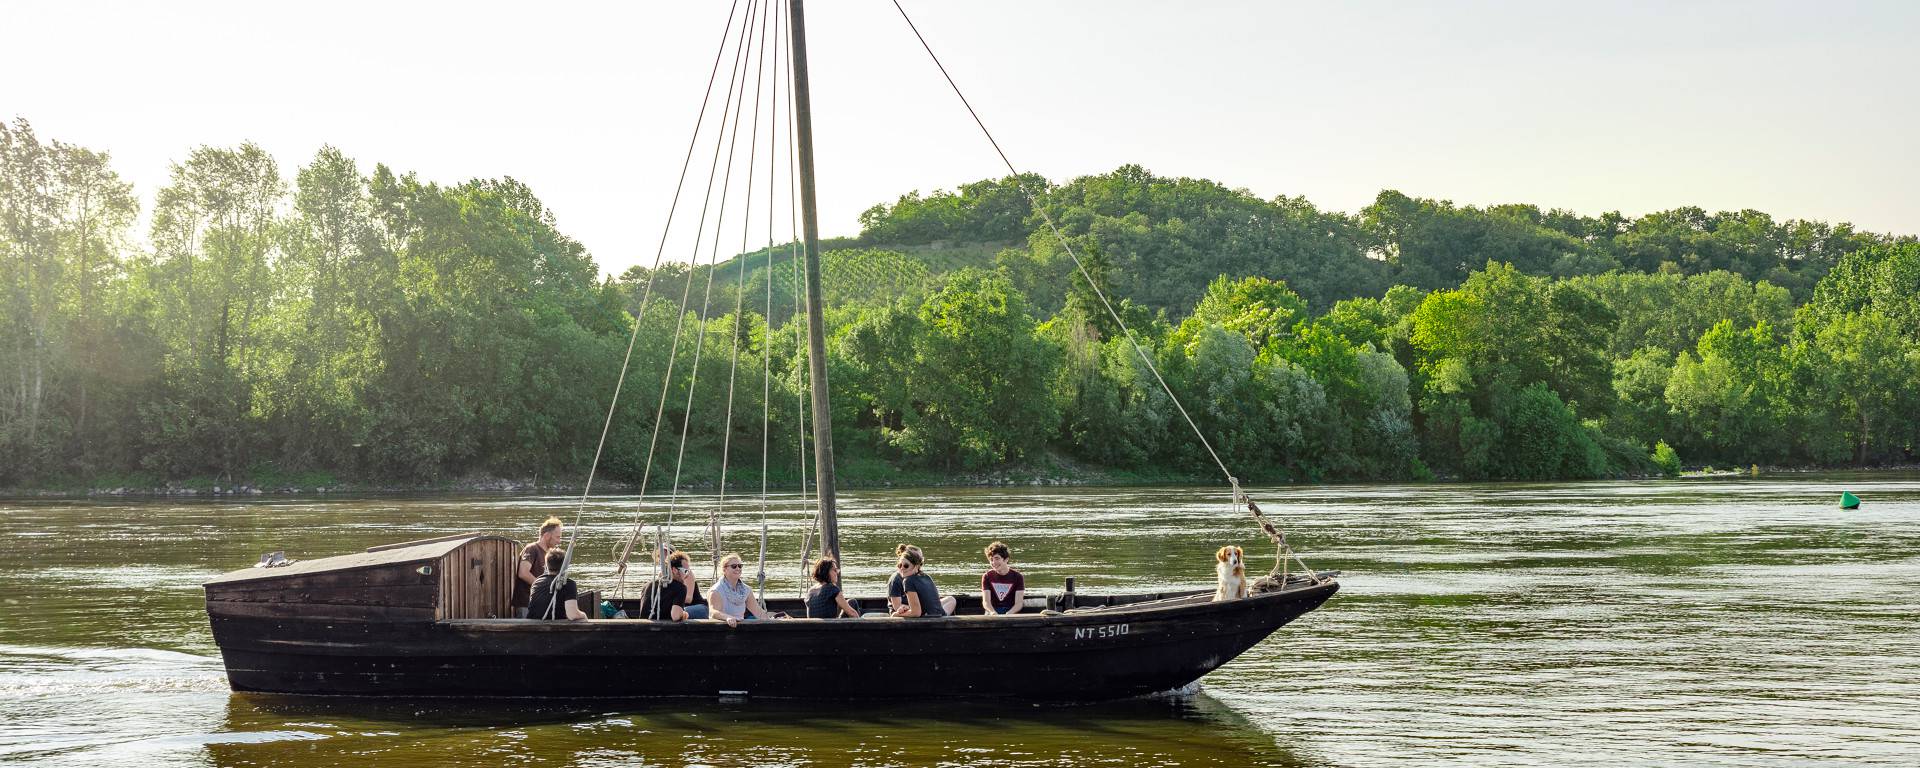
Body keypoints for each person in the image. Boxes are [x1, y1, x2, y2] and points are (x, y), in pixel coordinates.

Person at [513, 517, 565, 618]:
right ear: (546, 536)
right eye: (557, 537)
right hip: (526, 604)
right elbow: (523, 573)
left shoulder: (549, 554)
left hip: (539, 603)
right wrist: (543, 587)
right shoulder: (531, 549)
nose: (559, 541)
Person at [706, 552, 774, 627]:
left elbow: (757, 611)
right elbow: (713, 612)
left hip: (740, 628)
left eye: (740, 566)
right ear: (724, 569)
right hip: (720, 629)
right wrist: (727, 617)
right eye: (734, 566)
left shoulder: (746, 590)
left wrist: (772, 622)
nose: (738, 568)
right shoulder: (716, 590)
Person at [890, 546, 955, 618]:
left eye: (906, 566)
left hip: (930, 620)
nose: (902, 568)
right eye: (899, 565)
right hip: (940, 615)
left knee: (894, 616)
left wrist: (895, 615)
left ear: (916, 566)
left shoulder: (908, 581)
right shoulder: (926, 576)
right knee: (951, 600)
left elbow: (916, 613)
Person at [527, 548, 587, 621]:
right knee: (582, 619)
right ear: (565, 566)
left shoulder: (537, 582)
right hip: (555, 629)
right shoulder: (568, 584)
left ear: (546, 565)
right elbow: (572, 615)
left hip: (533, 628)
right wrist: (583, 615)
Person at [654, 549, 709, 621]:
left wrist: (672, 600)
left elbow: (689, 599)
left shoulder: (687, 573)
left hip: (697, 606)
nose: (662, 558)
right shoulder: (662, 575)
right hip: (676, 606)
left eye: (666, 555)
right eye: (660, 556)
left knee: (674, 612)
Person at [979, 541, 1026, 615]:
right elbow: (986, 602)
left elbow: (1019, 603)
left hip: (1011, 611)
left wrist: (1009, 613)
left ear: (1006, 559)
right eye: (991, 559)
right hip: (992, 611)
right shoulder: (987, 576)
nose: (994, 562)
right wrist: (993, 612)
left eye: (997, 558)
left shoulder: (1018, 577)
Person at [886, 543, 924, 614]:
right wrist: (915, 608)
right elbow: (897, 607)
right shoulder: (896, 579)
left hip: (919, 608)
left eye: (921, 559)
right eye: (917, 558)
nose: (920, 562)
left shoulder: (917, 576)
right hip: (902, 612)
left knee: (951, 600)